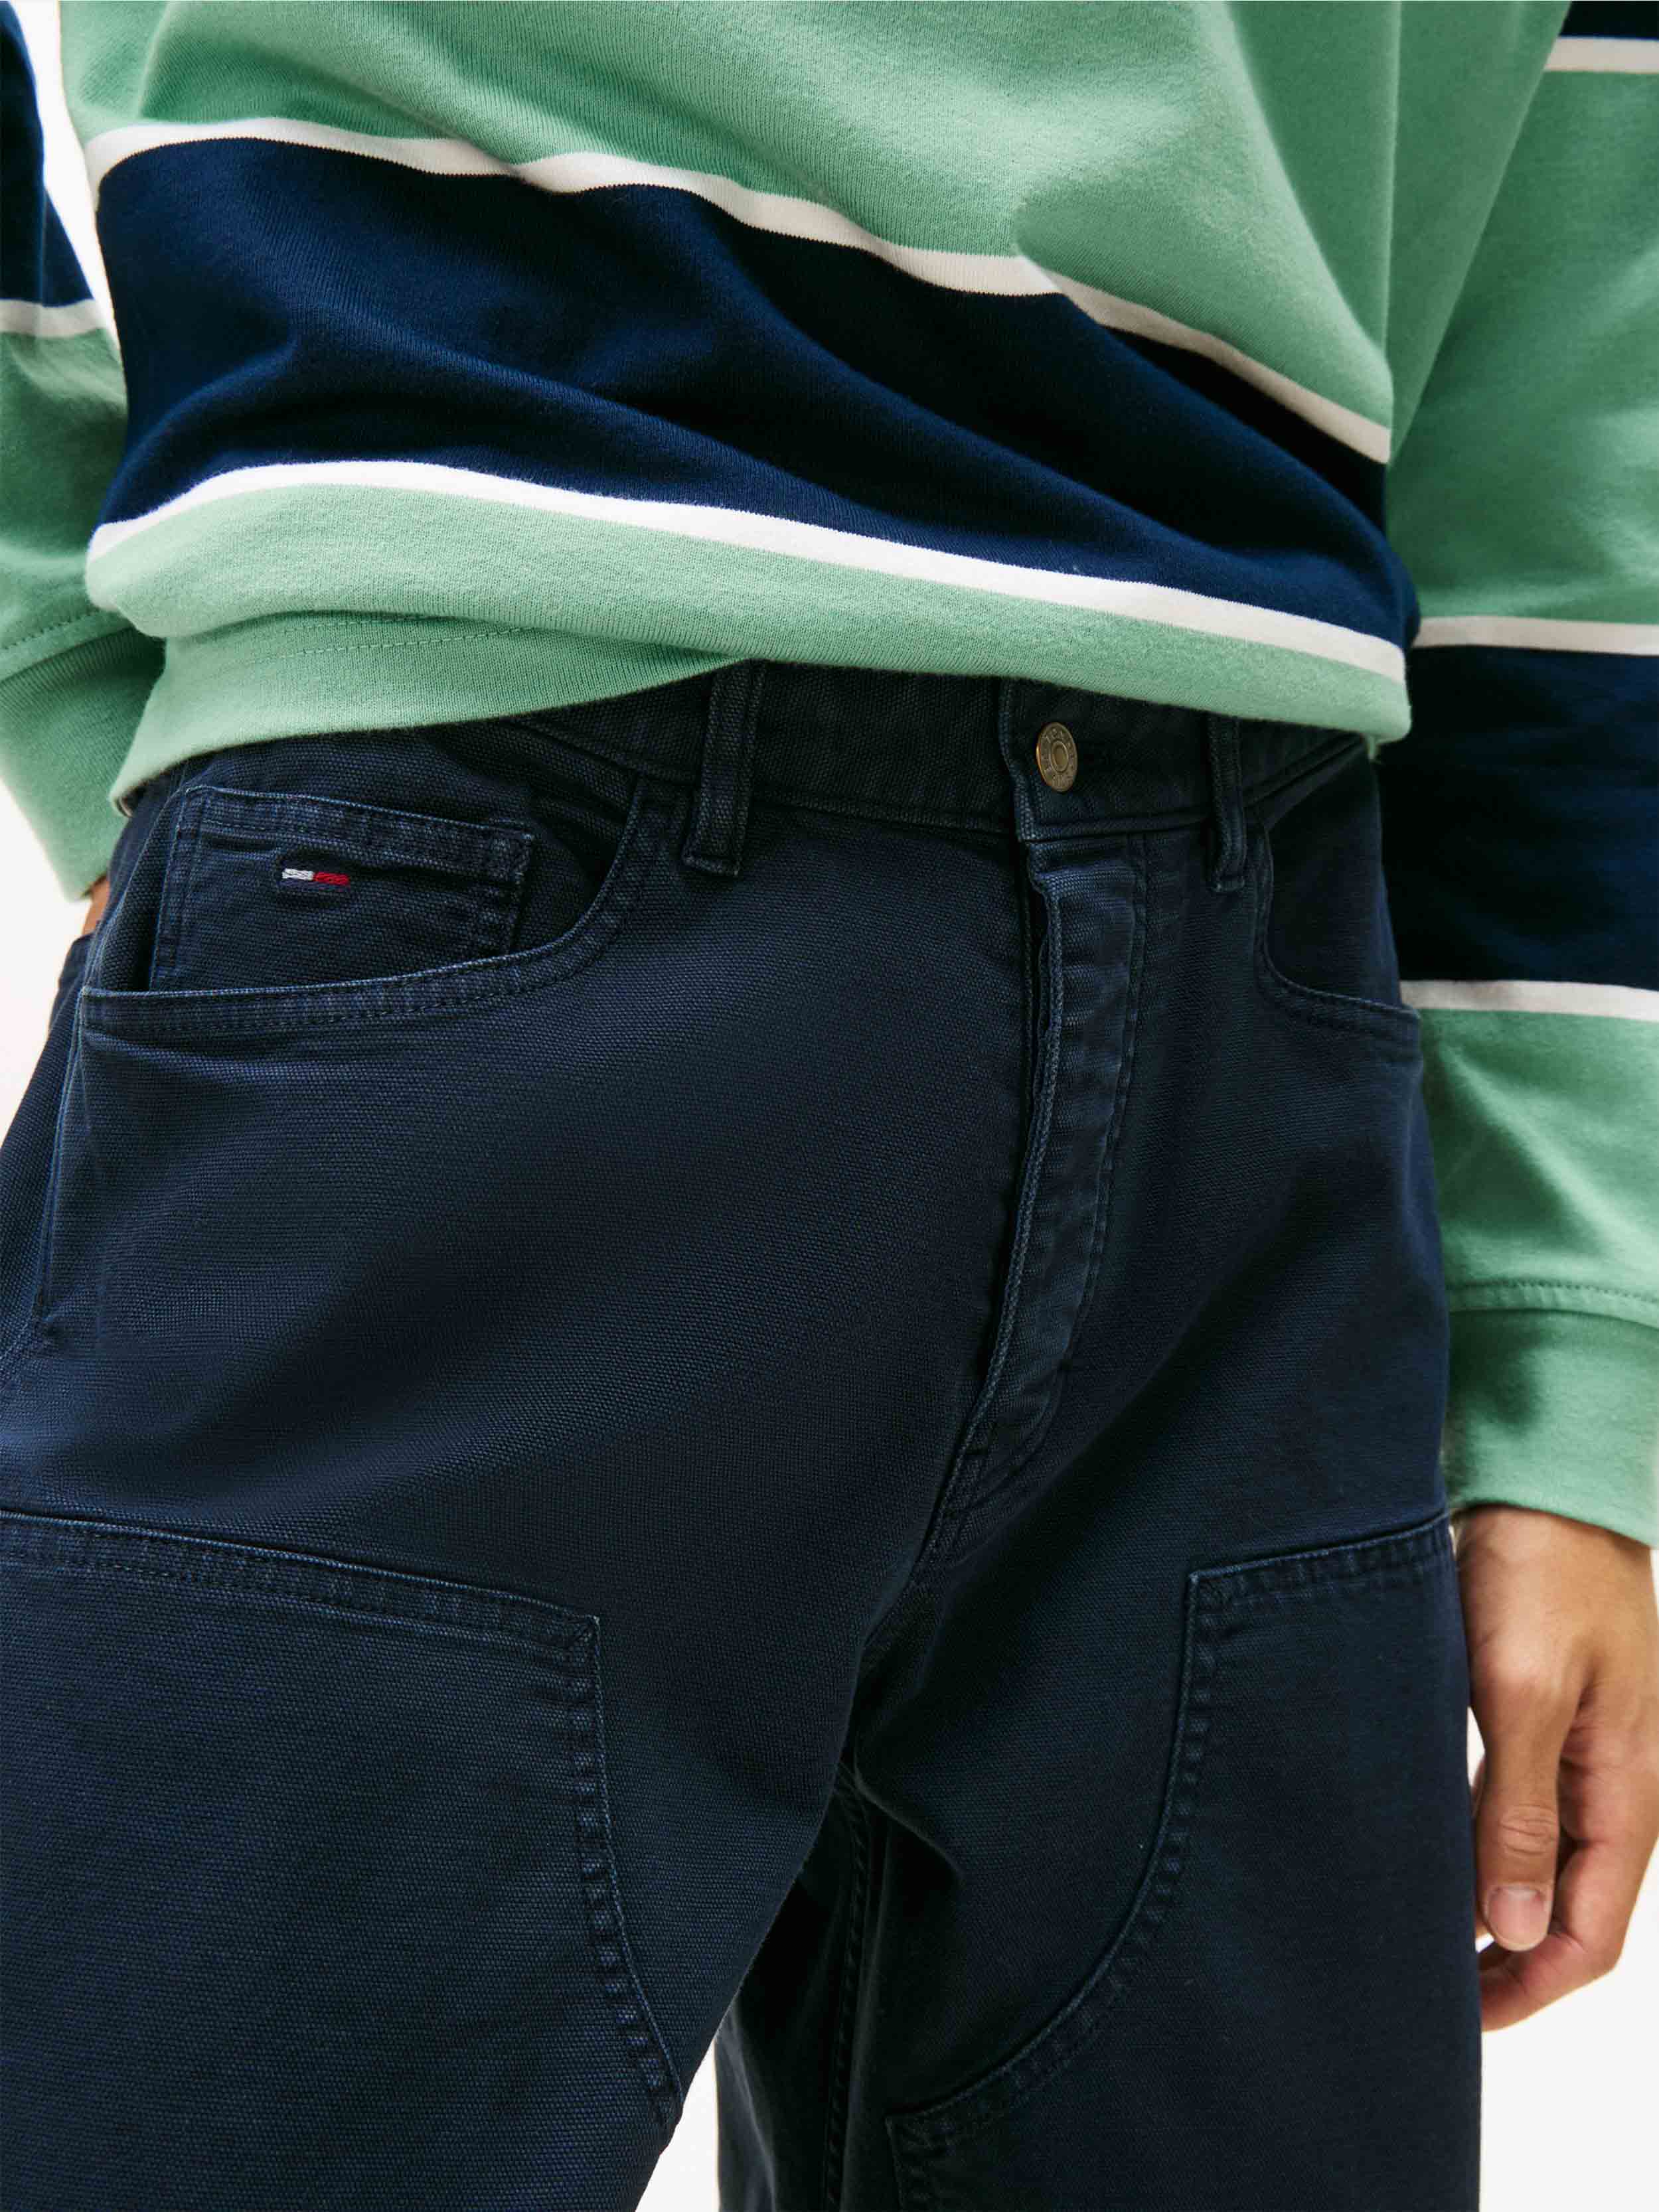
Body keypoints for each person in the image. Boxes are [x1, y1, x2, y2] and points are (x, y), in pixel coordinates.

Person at [1, 3, 1654, 2207]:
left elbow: (1566, 361)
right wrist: (68, 661)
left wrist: (1564, 1360)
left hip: (1260, 1049)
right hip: (476, 872)